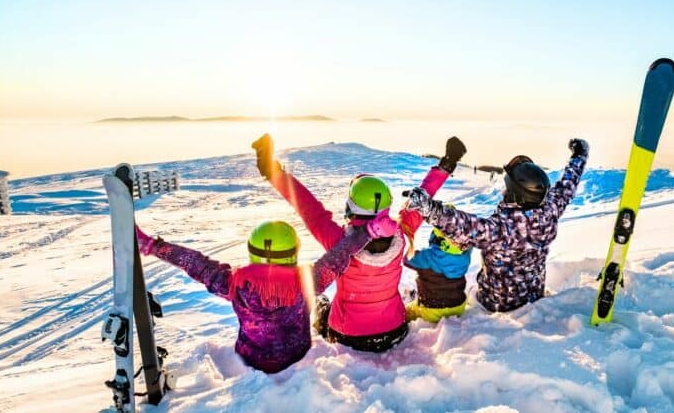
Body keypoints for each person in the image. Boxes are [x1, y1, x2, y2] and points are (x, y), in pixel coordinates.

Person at [252, 134, 466, 352]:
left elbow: (308, 208)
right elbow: (423, 197)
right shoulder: (402, 234)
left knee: (321, 304)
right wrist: (447, 164)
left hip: (348, 335)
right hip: (394, 330)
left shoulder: (340, 243)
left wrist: (273, 172)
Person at [134, 214, 396, 373]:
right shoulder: (308, 281)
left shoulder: (234, 283)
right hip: (298, 354)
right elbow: (340, 255)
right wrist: (369, 232)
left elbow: (195, 263)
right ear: (293, 251)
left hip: (252, 359)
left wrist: (153, 247)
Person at [403, 138, 589, 313]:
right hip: (533, 295)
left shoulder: (501, 229)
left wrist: (428, 208)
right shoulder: (550, 211)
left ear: (515, 194)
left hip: (496, 304)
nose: (503, 191)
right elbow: (567, 186)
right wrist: (579, 156)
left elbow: (462, 225)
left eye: (507, 188)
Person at [404, 212, 473, 323]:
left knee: (405, 312)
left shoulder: (428, 257)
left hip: (431, 310)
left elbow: (407, 260)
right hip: (458, 307)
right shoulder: (465, 256)